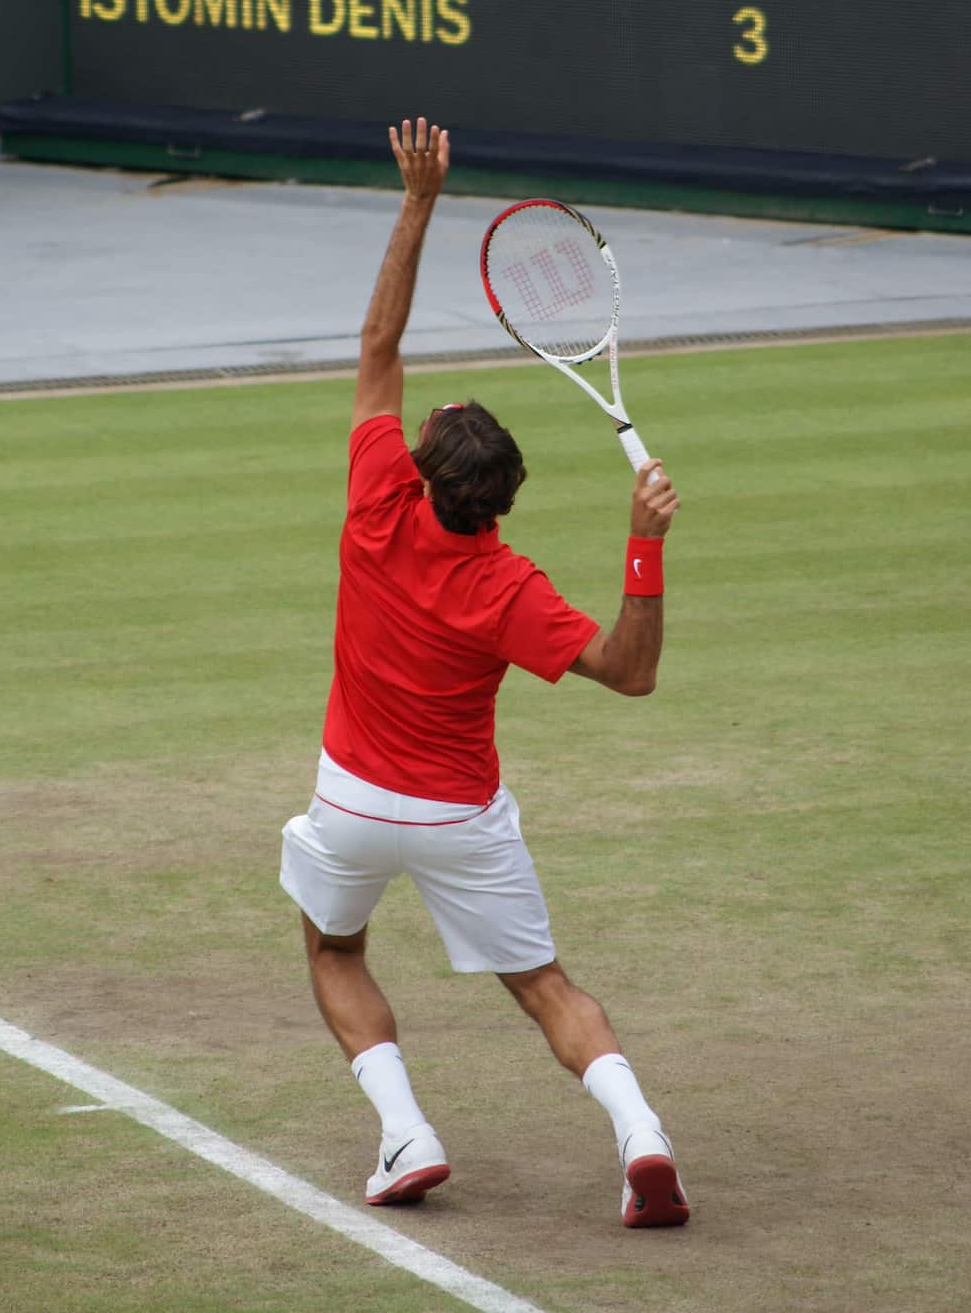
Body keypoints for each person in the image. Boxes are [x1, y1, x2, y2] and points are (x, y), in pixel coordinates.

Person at [279, 117, 689, 1229]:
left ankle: (404, 1132)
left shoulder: (376, 499)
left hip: (354, 802)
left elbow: (376, 345)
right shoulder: (509, 588)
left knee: (331, 947)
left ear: (423, 470)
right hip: (462, 817)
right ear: (497, 500)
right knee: (546, 988)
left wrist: (417, 200)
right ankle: (641, 1136)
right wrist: (642, 541)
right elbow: (628, 669)